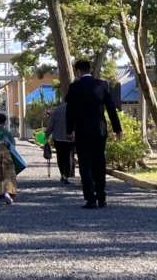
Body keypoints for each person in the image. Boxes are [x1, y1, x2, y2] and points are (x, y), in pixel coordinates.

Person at [65, 58, 122, 209]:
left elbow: (70, 111)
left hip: (82, 131)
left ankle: (90, 199)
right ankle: (102, 197)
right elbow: (111, 108)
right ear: (90, 69)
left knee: (85, 164)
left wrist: (69, 130)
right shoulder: (102, 85)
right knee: (99, 162)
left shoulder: (74, 87)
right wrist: (117, 129)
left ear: (77, 71)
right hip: (99, 130)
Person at [45, 102, 75, 183]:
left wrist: (47, 134)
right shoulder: (74, 109)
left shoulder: (56, 110)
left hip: (58, 138)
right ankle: (66, 175)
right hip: (69, 138)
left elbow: (51, 124)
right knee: (68, 156)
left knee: (60, 157)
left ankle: (62, 174)